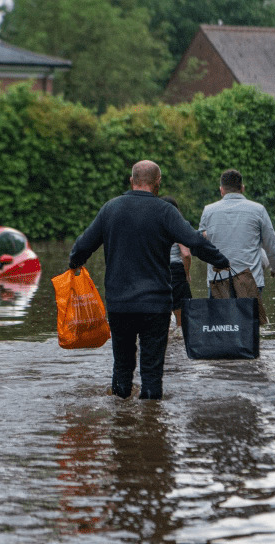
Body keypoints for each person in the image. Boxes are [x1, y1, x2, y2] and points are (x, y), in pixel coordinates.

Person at [69, 161, 230, 400]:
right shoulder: (165, 211)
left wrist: (75, 263)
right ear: (158, 183)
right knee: (152, 373)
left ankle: (122, 426)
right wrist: (219, 260)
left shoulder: (110, 209)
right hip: (155, 305)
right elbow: (194, 242)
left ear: (131, 180)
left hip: (119, 305)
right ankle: (151, 425)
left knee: (122, 369)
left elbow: (82, 246)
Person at [198, 169, 275, 299]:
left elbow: (201, 246)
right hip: (250, 281)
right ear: (242, 188)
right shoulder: (258, 210)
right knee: (250, 319)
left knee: (221, 319)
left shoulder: (208, 211)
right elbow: (272, 245)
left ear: (221, 190)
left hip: (219, 280)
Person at [160, 196, 192, 332]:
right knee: (181, 320)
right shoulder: (180, 225)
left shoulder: (155, 226)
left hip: (159, 271)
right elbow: (186, 254)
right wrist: (187, 273)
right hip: (177, 271)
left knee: (162, 317)